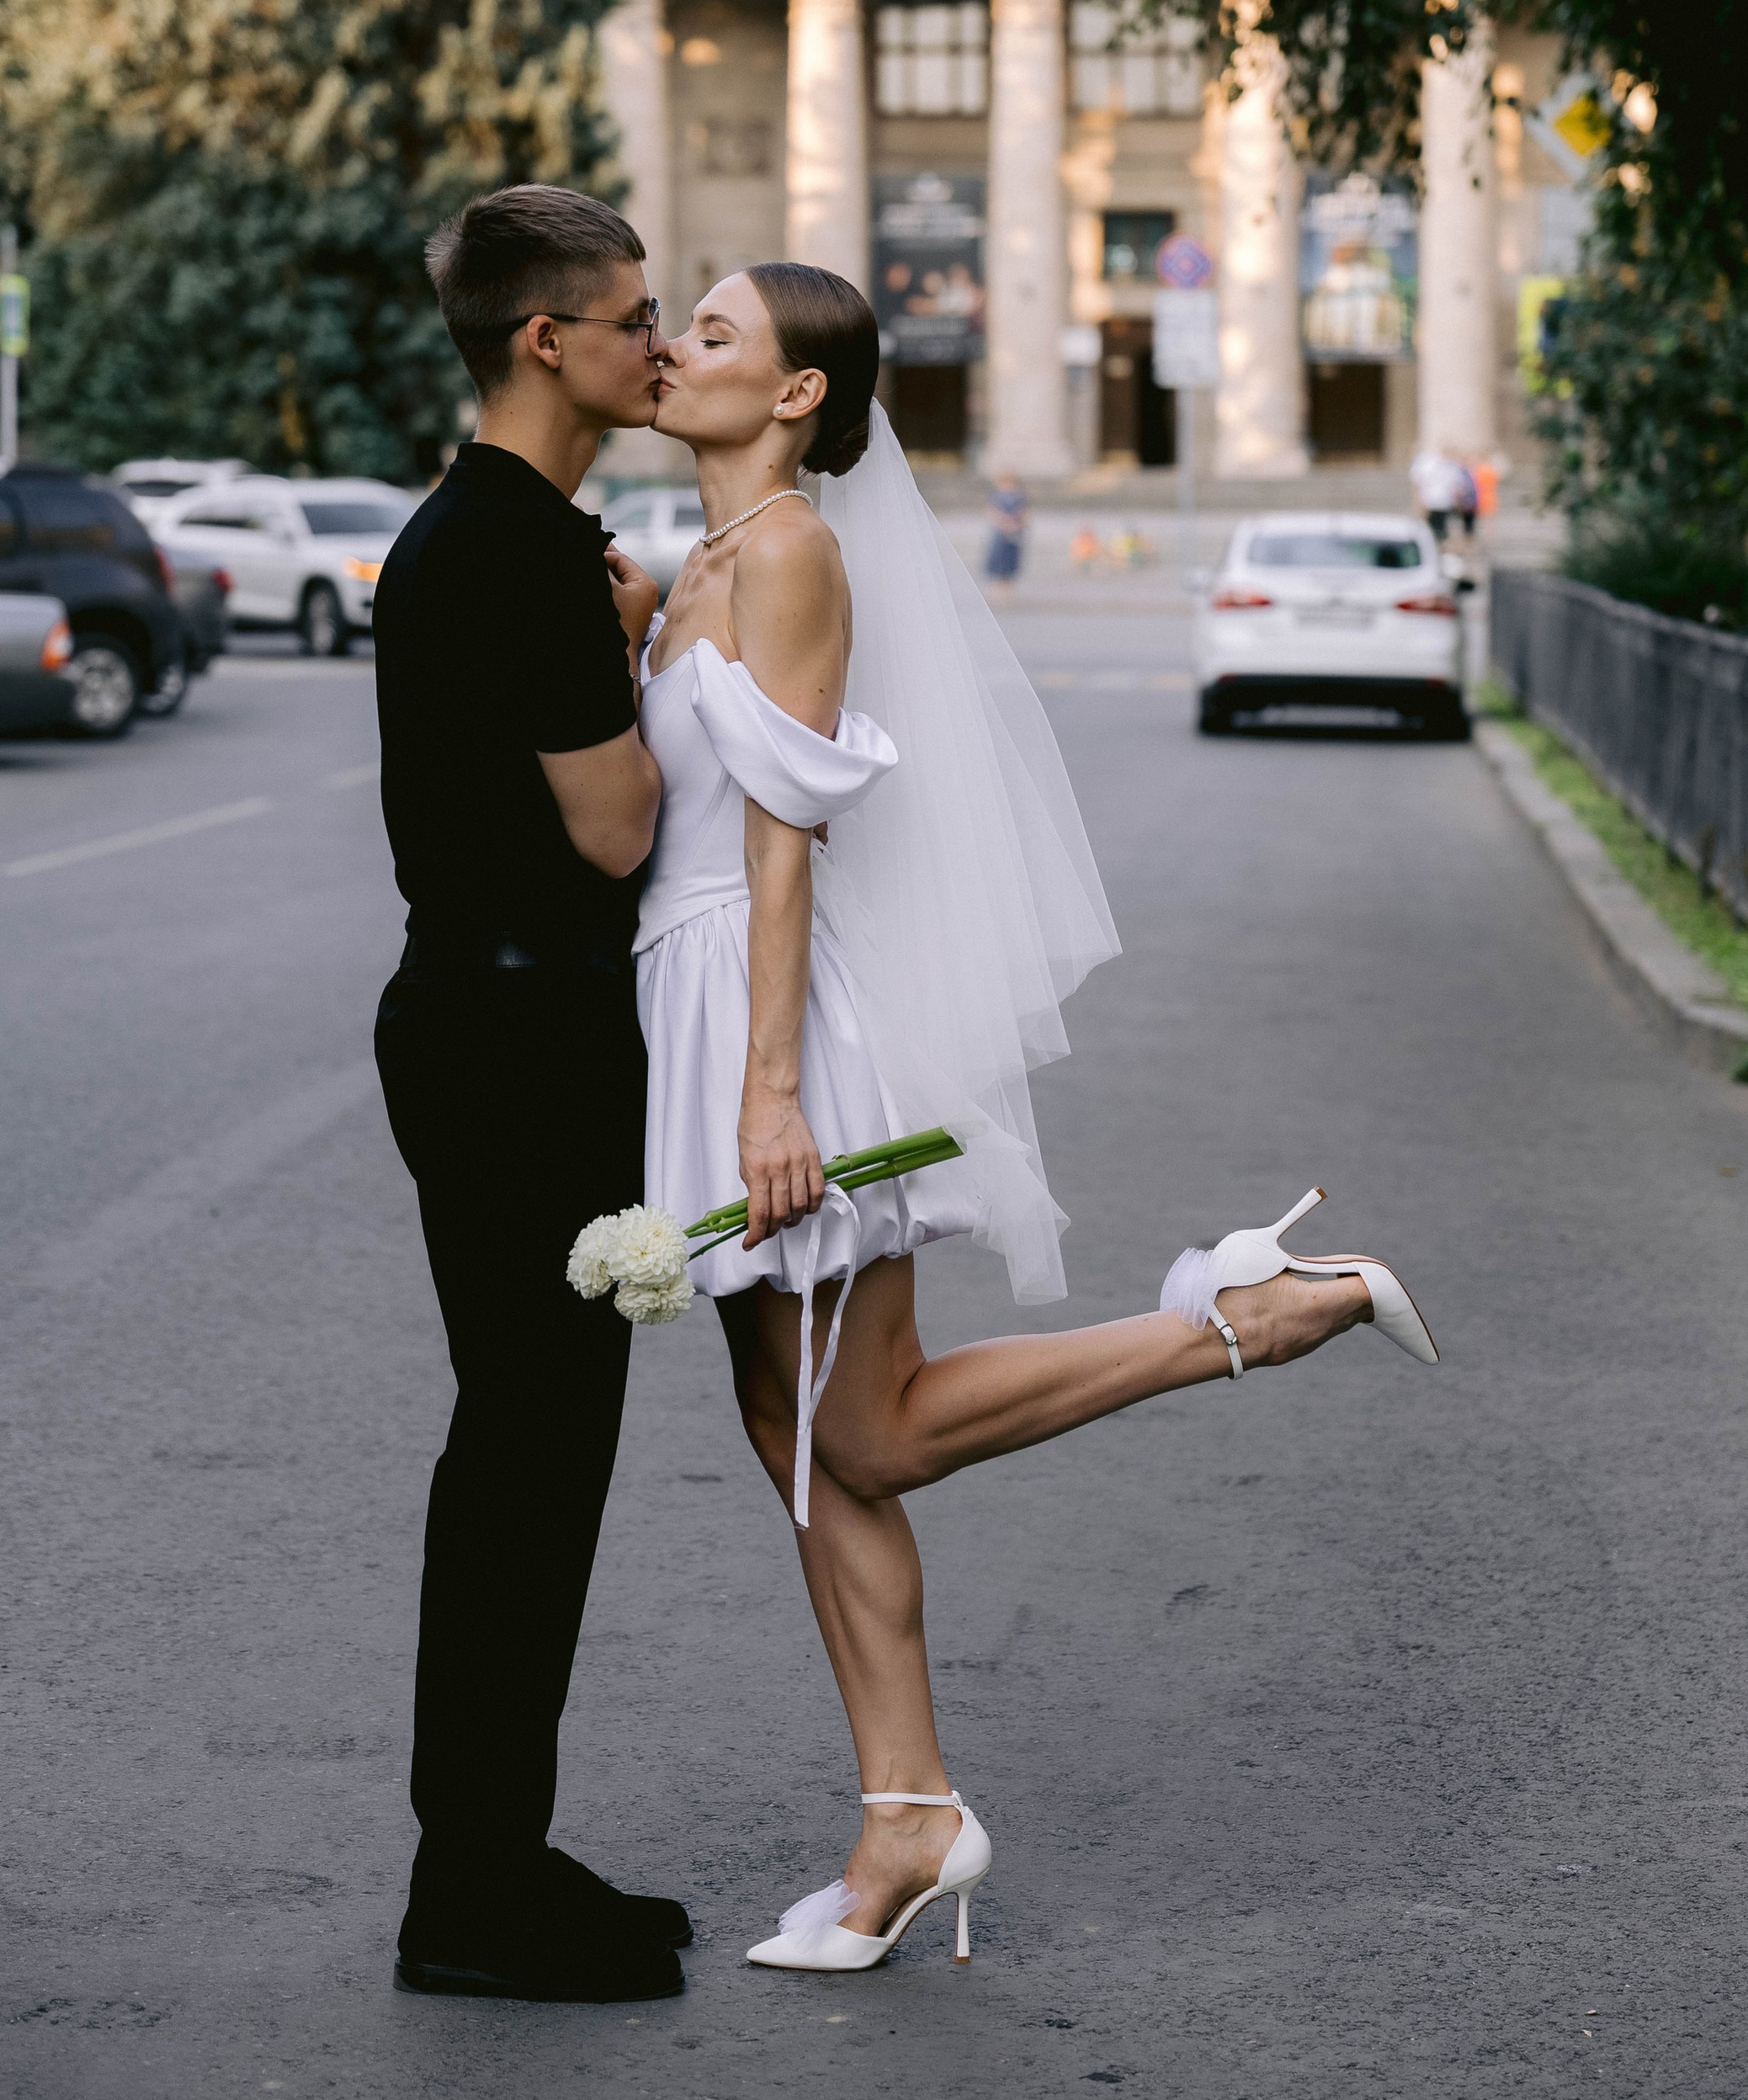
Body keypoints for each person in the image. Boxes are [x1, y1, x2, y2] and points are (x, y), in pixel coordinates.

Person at [637, 263, 1437, 1975]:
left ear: (792, 394)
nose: (667, 346)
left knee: (869, 1433)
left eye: (707, 331)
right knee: (799, 1450)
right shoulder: (701, 560)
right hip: (699, 1009)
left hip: (777, 1038)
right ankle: (902, 1822)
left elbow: (786, 837)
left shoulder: (785, 552)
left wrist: (769, 1087)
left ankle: (1231, 1320)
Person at [372, 184, 691, 2005]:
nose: (658, 343)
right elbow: (617, 822)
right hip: (516, 1045)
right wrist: (648, 648)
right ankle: (471, 1892)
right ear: (542, 340)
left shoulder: (486, 530)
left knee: (525, 1452)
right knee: (524, 1457)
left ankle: (492, 1851)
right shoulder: (521, 552)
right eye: (634, 314)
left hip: (486, 1027)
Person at [983, 474, 1028, 590]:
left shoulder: (1020, 497)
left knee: (1011, 561)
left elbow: (1024, 514)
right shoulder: (996, 496)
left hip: (1015, 532)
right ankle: (998, 588)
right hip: (1000, 533)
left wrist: (1015, 525)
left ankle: (1008, 588)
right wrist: (1005, 523)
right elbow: (992, 513)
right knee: (998, 560)